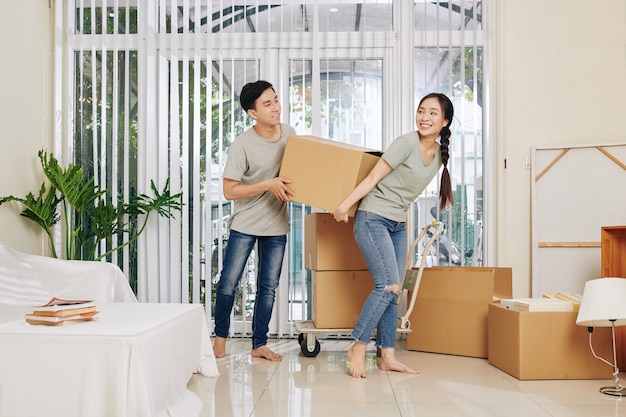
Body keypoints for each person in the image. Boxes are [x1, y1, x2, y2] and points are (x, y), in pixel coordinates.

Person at [332, 92, 455, 378]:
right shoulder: (405, 144)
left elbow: (405, 193)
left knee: (395, 290)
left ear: (445, 121)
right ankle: (358, 346)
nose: (424, 117)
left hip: (397, 224)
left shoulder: (439, 156)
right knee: (387, 286)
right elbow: (373, 178)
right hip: (373, 217)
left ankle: (387, 355)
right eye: (421, 111)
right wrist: (345, 205)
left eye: (432, 113)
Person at [213, 80, 296, 362]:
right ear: (252, 112)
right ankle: (220, 341)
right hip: (245, 222)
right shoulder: (242, 145)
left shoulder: (290, 135)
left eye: (276, 100)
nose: (276, 108)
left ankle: (259, 344)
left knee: (268, 287)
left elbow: (294, 176)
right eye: (267, 104)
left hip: (276, 223)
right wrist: (267, 185)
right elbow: (229, 190)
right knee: (228, 283)